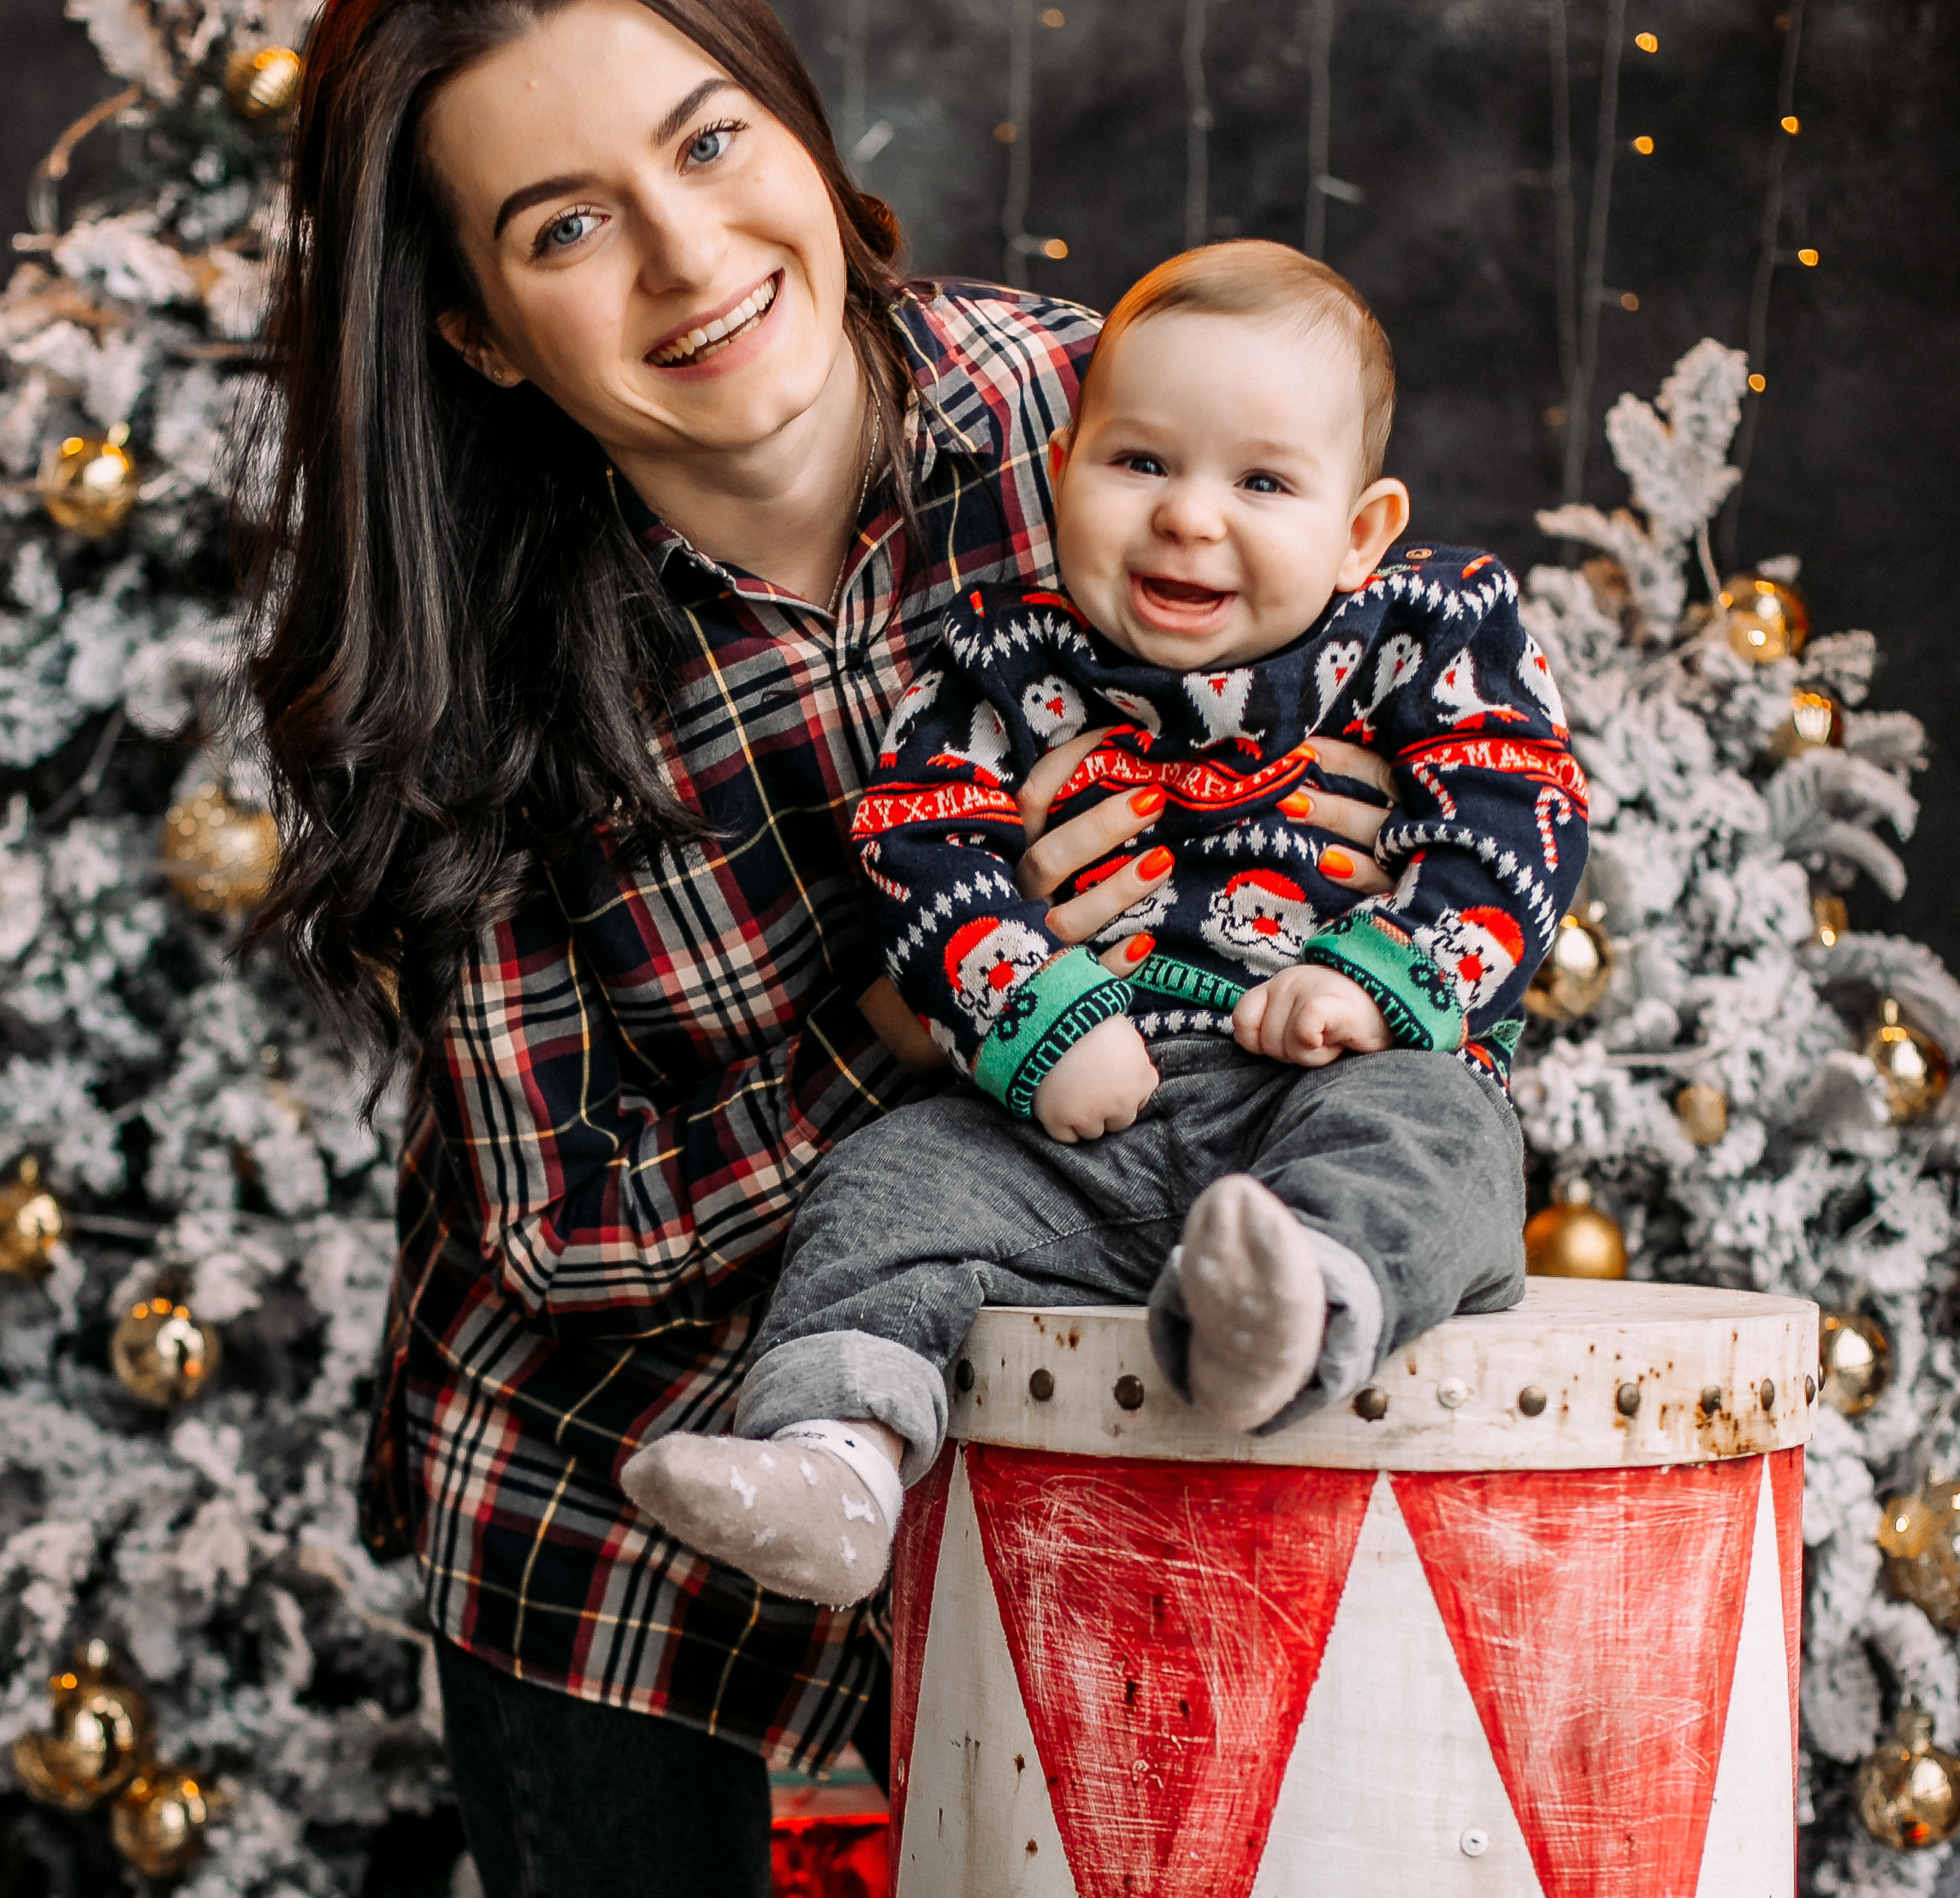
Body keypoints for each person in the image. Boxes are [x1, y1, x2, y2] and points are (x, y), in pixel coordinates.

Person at [245, 0, 1398, 1898]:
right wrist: (961, 1030)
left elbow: (1370, 716)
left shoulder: (1065, 416)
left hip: (1069, 1444)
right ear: (481, 330)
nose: (687, 256)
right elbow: (574, 1226)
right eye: (563, 227)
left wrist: (1337, 905)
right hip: (605, 1495)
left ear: (797, 123)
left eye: (709, 142)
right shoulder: (464, 651)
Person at [625, 241, 1589, 1607]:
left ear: (1361, 529)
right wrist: (1035, 1014)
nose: (1188, 517)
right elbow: (921, 839)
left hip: (1327, 1084)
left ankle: (1286, 1310)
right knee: (891, 1180)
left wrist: (1380, 977)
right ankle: (838, 1461)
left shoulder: (1423, 632)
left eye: (1262, 483)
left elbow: (1514, 805)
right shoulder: (1005, 659)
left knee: (1439, 1135)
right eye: (1141, 463)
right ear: (1064, 466)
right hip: (1071, 1133)